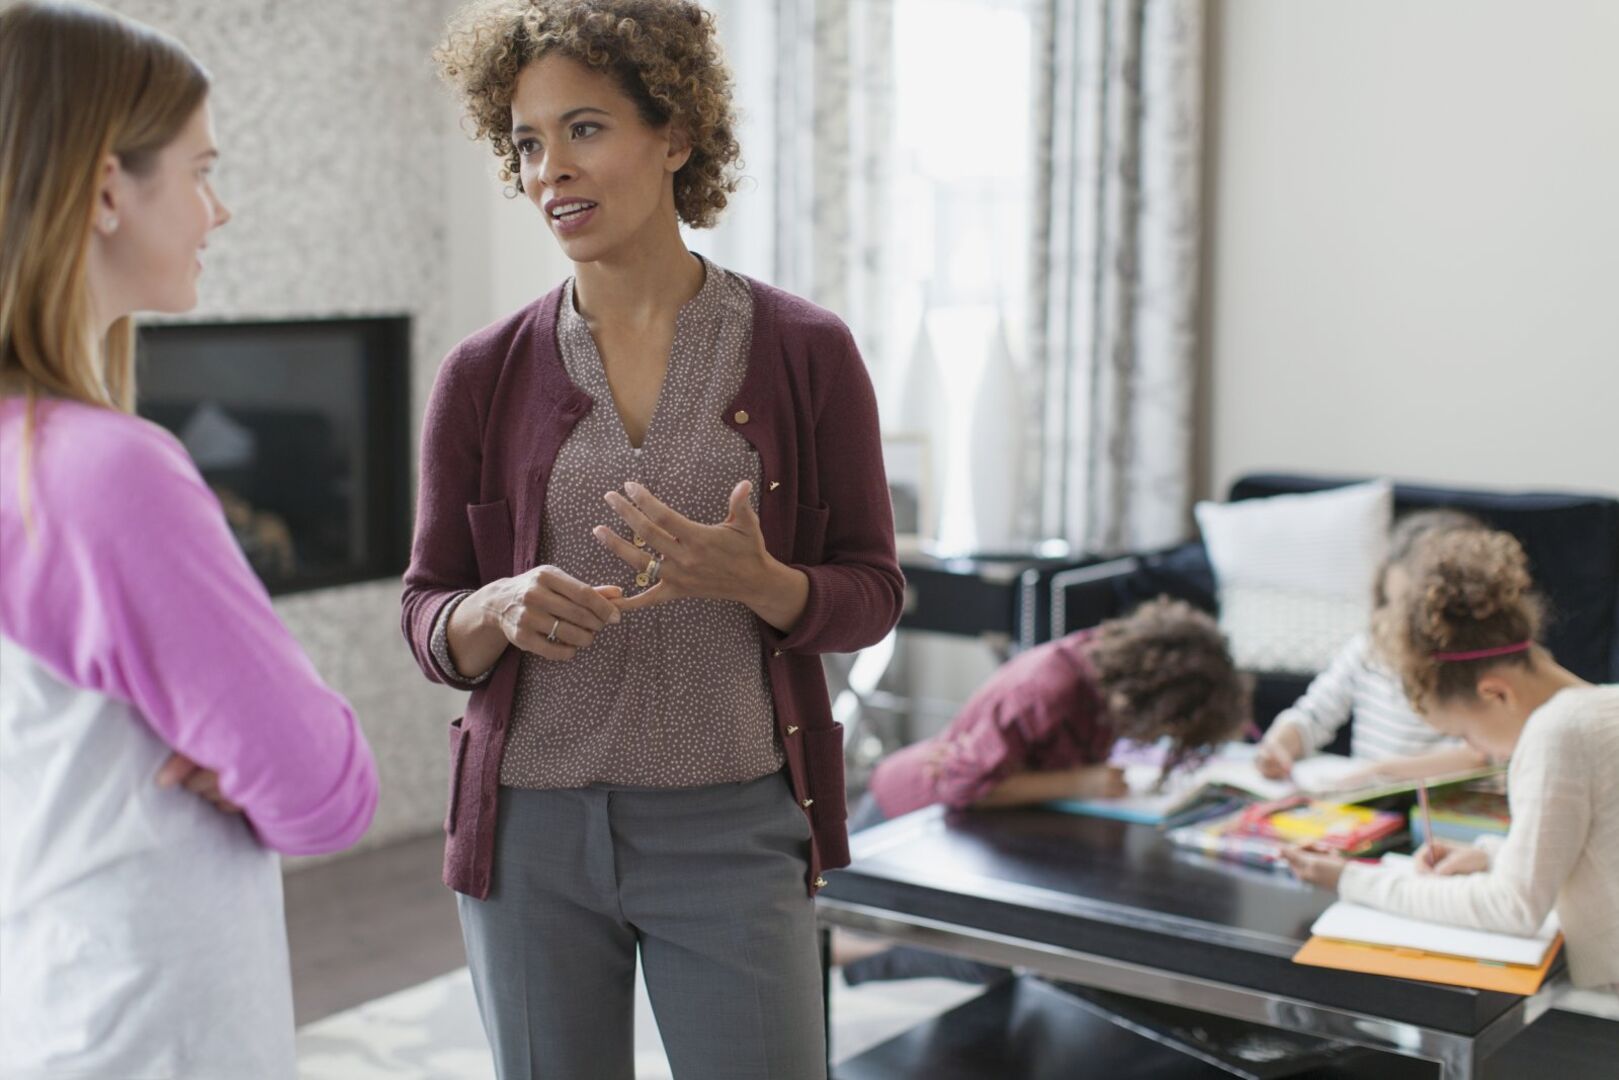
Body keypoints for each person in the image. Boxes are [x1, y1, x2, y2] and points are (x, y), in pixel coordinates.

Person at [405, 2, 902, 1076]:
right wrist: (492, 608)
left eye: (583, 129)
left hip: (733, 826)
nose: (548, 170)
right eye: (526, 142)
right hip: (527, 832)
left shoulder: (805, 352)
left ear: (675, 135)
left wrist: (765, 583)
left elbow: (873, 590)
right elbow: (427, 613)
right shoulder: (480, 375)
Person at [0, 2, 380, 1075]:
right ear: (108, 188)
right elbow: (323, 793)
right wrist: (269, 725)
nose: (217, 211)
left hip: (42, 1005)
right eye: (200, 170)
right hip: (154, 1027)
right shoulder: (109, 473)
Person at [1284, 529, 1618, 996]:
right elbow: (1594, 854)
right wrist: (1490, 856)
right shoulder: (1604, 705)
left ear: (1495, 693)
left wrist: (1354, 879)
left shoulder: (1557, 733)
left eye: (1464, 733)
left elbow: (1513, 910)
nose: (1481, 750)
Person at [1255, 509, 1491, 784]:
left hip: (1442, 812)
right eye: (1390, 603)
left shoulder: (1479, 665)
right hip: (1371, 807)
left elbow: (1478, 754)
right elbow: (1314, 714)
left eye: (1411, 611)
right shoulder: (1369, 648)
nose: (1395, 621)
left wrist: (1381, 771)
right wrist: (1280, 744)